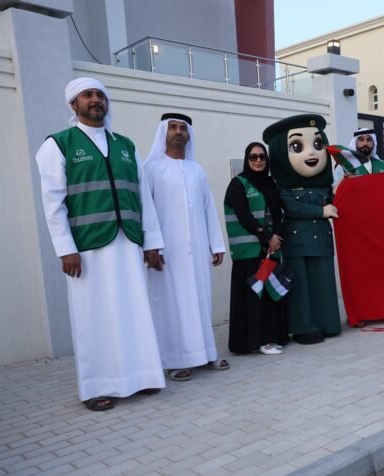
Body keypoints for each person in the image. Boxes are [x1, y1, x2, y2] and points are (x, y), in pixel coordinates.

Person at [35, 77, 166, 411]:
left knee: (134, 310)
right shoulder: (58, 145)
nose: (95, 100)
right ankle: (97, 387)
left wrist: (152, 241)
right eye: (87, 95)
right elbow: (53, 203)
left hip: (129, 241)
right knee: (94, 316)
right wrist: (66, 249)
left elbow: (144, 198)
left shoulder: (126, 145)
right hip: (87, 247)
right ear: (73, 104)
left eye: (99, 95)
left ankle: (144, 377)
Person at [144, 113, 227, 381]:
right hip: (166, 252)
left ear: (189, 134)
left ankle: (206, 353)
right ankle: (174, 361)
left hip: (197, 249)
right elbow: (146, 211)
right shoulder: (151, 169)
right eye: (173, 127)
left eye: (183, 128)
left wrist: (216, 244)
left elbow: (208, 208)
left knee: (200, 301)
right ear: (164, 132)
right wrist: (152, 246)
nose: (178, 132)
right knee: (171, 304)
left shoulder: (196, 170)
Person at [264, 114, 341, 345]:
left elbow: (338, 202)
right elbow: (292, 208)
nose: (312, 153)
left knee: (324, 284)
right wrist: (321, 211)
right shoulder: (283, 186)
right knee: (301, 289)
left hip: (322, 240)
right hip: (297, 242)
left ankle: (328, 323)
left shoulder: (324, 185)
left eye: (318, 144)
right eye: (297, 147)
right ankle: (303, 327)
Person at [224, 142, 290, 354]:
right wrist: (268, 237)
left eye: (262, 156)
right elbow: (244, 216)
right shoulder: (238, 184)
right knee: (253, 298)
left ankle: (272, 337)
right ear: (247, 159)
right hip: (249, 252)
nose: (258, 160)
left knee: (271, 296)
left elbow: (281, 213)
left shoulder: (271, 183)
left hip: (270, 249)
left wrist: (277, 236)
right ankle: (258, 342)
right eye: (253, 157)